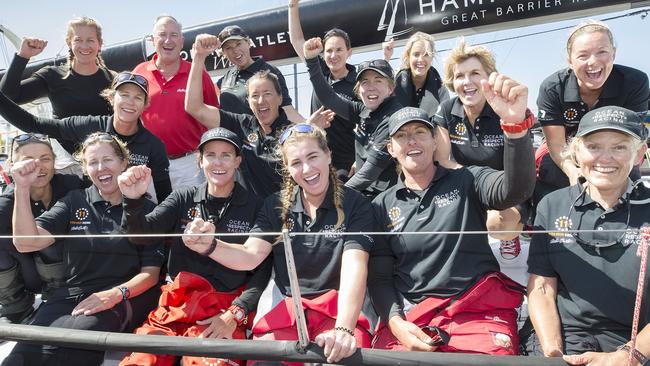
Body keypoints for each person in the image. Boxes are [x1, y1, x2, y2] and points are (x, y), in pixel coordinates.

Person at [369, 71, 536, 354]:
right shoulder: (380, 205)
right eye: (402, 136)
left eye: (420, 132)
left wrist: (515, 127)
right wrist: (396, 323)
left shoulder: (467, 179)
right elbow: (380, 278)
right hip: (412, 317)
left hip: (476, 311)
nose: (412, 141)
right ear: (391, 148)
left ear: (435, 141)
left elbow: (515, 190)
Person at [183, 124, 375, 365]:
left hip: (340, 309)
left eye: (313, 156)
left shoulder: (356, 204)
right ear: (287, 168)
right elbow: (251, 255)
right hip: (288, 311)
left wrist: (344, 330)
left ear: (328, 155)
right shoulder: (275, 205)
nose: (307, 169)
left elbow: (354, 268)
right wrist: (209, 245)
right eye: (295, 162)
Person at [4, 132, 163, 366]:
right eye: (93, 162)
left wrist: (113, 295)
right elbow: (26, 242)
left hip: (124, 295)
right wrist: (22, 188)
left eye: (107, 159)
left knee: (74, 347)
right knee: (23, 353)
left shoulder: (146, 207)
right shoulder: (73, 201)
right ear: (85, 169)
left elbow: (151, 275)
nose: (101, 168)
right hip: (71, 293)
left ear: (123, 162)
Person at [117, 127, 271, 366]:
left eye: (226, 155)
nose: (217, 162)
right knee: (139, 362)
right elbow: (142, 236)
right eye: (210, 155)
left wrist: (235, 314)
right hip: (174, 306)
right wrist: (133, 200)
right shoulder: (182, 197)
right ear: (200, 161)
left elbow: (262, 271)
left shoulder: (257, 206)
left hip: (222, 310)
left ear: (238, 161)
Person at [522, 106, 650, 365]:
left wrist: (630, 356)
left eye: (619, 147)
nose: (605, 158)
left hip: (634, 341)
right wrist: (553, 354)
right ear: (576, 153)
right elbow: (543, 287)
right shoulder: (551, 204)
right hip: (563, 336)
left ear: (639, 154)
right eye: (593, 146)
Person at [186, 35, 333, 198]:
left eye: (267, 93)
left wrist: (307, 132)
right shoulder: (242, 124)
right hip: (256, 217)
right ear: (248, 101)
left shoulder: (293, 133)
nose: (261, 100)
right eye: (255, 95)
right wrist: (198, 58)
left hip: (290, 214)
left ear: (280, 98)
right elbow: (194, 107)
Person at [0, 71, 172, 203]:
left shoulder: (153, 145)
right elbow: (34, 123)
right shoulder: (88, 126)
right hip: (92, 215)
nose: (130, 102)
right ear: (111, 98)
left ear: (145, 105)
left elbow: (165, 195)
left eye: (137, 98)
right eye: (124, 95)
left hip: (134, 214)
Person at [433, 39, 531, 259]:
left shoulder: (504, 107)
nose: (467, 82)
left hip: (505, 187)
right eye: (459, 76)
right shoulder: (448, 109)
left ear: (489, 77)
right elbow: (443, 160)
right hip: (466, 184)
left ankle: (513, 234)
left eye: (475, 73)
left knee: (499, 225)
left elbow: (519, 167)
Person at [536, 20, 649, 197]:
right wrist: (574, 173)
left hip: (616, 151)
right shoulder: (552, 88)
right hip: (567, 152)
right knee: (550, 180)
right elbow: (556, 144)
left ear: (613, 54)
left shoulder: (635, 82)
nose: (593, 62)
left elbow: (633, 140)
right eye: (583, 55)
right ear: (570, 61)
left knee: (631, 194)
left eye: (602, 52)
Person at [0, 16, 115, 176]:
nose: (84, 46)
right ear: (69, 43)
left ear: (100, 44)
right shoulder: (52, 75)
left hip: (102, 161)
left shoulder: (114, 80)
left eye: (90, 40)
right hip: (64, 164)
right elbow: (9, 96)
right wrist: (22, 56)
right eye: (78, 40)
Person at [304, 37, 403, 197]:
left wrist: (332, 197)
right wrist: (311, 61)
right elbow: (328, 97)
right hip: (365, 193)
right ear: (358, 89)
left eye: (378, 81)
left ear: (390, 88)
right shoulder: (363, 110)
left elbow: (368, 174)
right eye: (365, 82)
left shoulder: (392, 117)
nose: (370, 88)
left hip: (387, 198)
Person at [0, 134, 83, 323]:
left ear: (55, 161)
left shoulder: (71, 185)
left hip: (70, 274)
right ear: (13, 165)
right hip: (28, 274)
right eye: (28, 160)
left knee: (49, 231)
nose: (38, 166)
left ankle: (59, 297)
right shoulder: (9, 197)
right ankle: (16, 306)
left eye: (45, 159)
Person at [133, 15, 219, 190]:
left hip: (190, 165)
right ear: (152, 40)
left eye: (174, 35)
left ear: (181, 40)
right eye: (162, 34)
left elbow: (215, 119)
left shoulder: (197, 73)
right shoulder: (139, 73)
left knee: (192, 216)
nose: (168, 40)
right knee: (153, 216)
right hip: (150, 165)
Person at [288, 0, 357, 178]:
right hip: (314, 155)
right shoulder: (319, 71)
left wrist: (362, 159)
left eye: (339, 50)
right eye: (329, 51)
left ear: (349, 52)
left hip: (346, 163)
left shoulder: (359, 82)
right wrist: (293, 7)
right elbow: (297, 40)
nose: (333, 56)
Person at [216, 24, 304, 123]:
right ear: (223, 53)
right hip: (229, 137)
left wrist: (308, 128)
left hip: (260, 137)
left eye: (238, 44)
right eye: (228, 48)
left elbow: (287, 109)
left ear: (248, 43)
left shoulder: (269, 71)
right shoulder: (227, 76)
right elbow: (204, 96)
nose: (235, 50)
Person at [382, 32, 449, 118]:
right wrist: (386, 58)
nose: (420, 59)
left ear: (431, 57)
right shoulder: (395, 80)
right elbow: (379, 88)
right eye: (416, 54)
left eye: (426, 55)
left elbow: (445, 121)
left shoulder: (440, 88)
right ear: (408, 56)